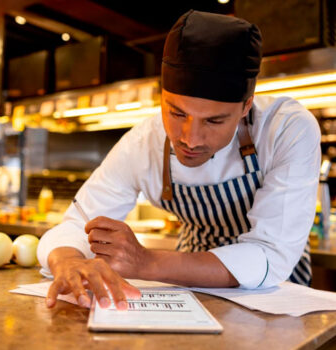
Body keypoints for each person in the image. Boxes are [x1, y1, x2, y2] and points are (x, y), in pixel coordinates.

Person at [37, 10, 321, 310]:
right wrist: (67, 260)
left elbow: (270, 255)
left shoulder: (286, 129)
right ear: (162, 97)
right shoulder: (143, 142)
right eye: (176, 113)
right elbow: (75, 225)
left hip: (273, 296)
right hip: (186, 285)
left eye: (213, 121)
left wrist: (146, 262)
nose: (190, 138)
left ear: (245, 106)